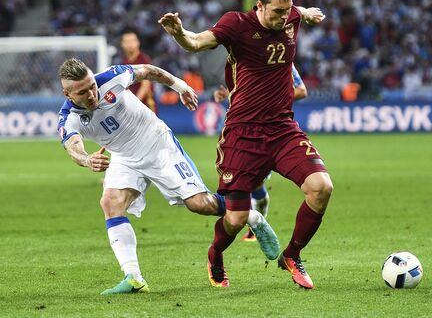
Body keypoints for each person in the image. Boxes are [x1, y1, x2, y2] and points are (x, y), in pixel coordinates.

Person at [159, 0, 333, 289]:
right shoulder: (236, 24)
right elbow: (197, 42)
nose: (285, 17)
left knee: (321, 187)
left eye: (289, 10)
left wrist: (308, 13)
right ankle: (215, 253)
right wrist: (180, 33)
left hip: (283, 129)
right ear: (260, 6)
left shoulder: (290, 15)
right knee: (237, 218)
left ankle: (292, 255)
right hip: (243, 134)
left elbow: (299, 12)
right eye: (278, 12)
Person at [56, 58, 279, 295]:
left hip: (156, 143)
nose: (92, 93)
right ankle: (134, 278)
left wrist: (180, 87)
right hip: (124, 157)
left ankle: (252, 216)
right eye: (83, 92)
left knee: (199, 204)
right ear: (67, 93)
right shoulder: (68, 117)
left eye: (92, 86)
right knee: (110, 203)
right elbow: (72, 146)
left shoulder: (111, 77)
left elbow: (149, 71)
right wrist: (86, 159)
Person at [213, 63, 307, 242]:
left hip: (269, 129)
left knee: (254, 182)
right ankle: (251, 222)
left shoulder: (281, 58)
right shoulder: (244, 57)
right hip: (242, 130)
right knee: (246, 182)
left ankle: (254, 225)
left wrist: (269, 103)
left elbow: (301, 90)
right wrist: (228, 94)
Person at [120, 28, 157, 113]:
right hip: (132, 107)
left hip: (145, 107)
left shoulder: (144, 61)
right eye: (127, 42)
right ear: (122, 44)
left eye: (133, 41)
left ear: (138, 42)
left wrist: (134, 104)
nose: (130, 44)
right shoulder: (124, 62)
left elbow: (145, 86)